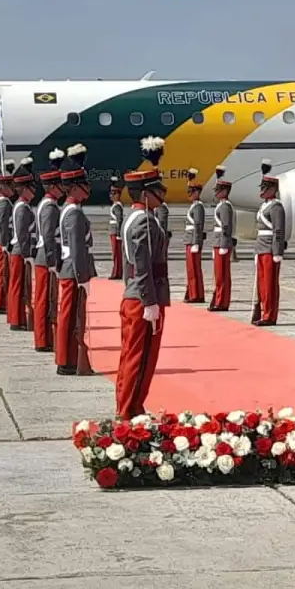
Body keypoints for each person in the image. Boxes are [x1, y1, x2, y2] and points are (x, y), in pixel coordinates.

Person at [116, 135, 171, 420]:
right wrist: (151, 302)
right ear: (146, 194)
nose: (162, 194)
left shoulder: (133, 218)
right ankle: (130, 410)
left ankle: (128, 406)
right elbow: (144, 265)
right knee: (141, 360)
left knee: (131, 357)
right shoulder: (146, 221)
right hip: (143, 300)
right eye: (157, 190)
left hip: (134, 296)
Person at [56, 143, 95, 375]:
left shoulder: (69, 210)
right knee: (71, 318)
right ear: (73, 189)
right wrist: (83, 277)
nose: (87, 189)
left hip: (70, 268)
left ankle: (68, 357)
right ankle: (67, 359)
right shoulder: (75, 214)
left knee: (70, 317)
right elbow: (78, 248)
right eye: (83, 186)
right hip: (74, 270)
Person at [32, 148, 65, 353]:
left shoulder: (47, 203)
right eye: (60, 184)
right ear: (53, 186)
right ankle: (43, 339)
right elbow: (48, 236)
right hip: (47, 259)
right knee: (45, 300)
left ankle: (44, 337)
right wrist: (54, 262)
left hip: (44, 257)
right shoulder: (51, 206)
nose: (63, 188)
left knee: (45, 299)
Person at [253, 161, 287, 326]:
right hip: (261, 247)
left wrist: (277, 252)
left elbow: (278, 231)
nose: (262, 190)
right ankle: (263, 311)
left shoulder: (276, 207)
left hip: (270, 248)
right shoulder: (264, 205)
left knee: (270, 285)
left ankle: (269, 315)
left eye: (265, 187)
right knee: (262, 283)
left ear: (273, 189)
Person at [7, 157, 37, 331]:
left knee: (19, 285)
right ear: (24, 189)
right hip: (21, 251)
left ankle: (17, 317)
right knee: (19, 285)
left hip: (20, 251)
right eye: (31, 188)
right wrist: (27, 255)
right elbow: (21, 233)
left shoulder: (22, 205)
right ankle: (17, 319)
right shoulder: (22, 207)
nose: (34, 192)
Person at [209, 166, 235, 312]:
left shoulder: (225, 207)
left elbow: (226, 226)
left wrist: (224, 244)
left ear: (224, 191)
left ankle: (222, 301)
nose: (216, 192)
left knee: (222, 275)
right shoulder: (221, 205)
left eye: (218, 190)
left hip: (222, 243)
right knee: (219, 275)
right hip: (218, 242)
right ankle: (219, 299)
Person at [0, 160, 16, 316]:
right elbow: (3, 225)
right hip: (2, 242)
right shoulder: (4, 203)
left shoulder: (0, 202)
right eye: (10, 186)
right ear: (2, 187)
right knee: (2, 273)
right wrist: (6, 244)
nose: (13, 189)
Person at [183, 169, 207, 303]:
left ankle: (196, 294)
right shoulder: (194, 206)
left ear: (197, 193)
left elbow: (198, 225)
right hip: (190, 240)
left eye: (191, 192)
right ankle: (193, 293)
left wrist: (196, 242)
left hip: (193, 241)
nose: (189, 195)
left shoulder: (198, 207)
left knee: (194, 269)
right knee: (191, 270)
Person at [107, 177, 125, 280]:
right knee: (115, 254)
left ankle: (117, 273)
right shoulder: (115, 205)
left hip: (115, 233)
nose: (111, 196)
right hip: (113, 232)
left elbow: (119, 220)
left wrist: (118, 234)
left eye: (113, 194)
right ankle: (116, 272)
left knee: (117, 255)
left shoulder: (117, 206)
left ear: (117, 194)